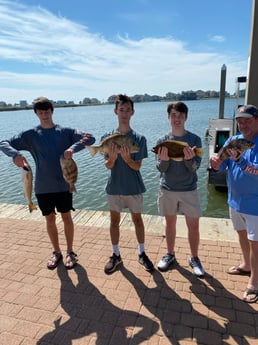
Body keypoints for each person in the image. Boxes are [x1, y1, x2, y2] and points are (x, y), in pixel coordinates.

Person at [0, 97, 95, 270]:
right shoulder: (30, 135)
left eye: (47, 111)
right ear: (36, 113)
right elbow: (3, 142)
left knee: (67, 217)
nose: (44, 115)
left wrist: (73, 148)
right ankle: (56, 252)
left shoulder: (65, 131)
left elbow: (90, 138)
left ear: (52, 111)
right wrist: (15, 155)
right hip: (42, 186)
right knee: (49, 219)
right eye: (41, 112)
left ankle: (70, 252)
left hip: (64, 184)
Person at [210, 104, 258, 303]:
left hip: (254, 204)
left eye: (247, 120)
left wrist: (240, 161)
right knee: (241, 235)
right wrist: (216, 164)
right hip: (235, 200)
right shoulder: (233, 140)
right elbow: (222, 165)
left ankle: (254, 282)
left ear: (257, 120)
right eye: (240, 120)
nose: (243, 124)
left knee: (255, 243)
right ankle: (246, 265)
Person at [103, 94, 154, 274]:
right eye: (121, 110)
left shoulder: (139, 139)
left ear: (133, 112)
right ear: (116, 111)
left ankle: (142, 252)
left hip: (133, 187)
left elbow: (137, 166)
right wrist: (114, 158)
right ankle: (115, 255)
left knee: (138, 221)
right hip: (114, 188)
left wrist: (127, 159)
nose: (124, 113)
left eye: (128, 110)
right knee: (114, 222)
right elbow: (108, 166)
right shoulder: (107, 138)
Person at [155, 101, 205, 277]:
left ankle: (194, 258)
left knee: (193, 225)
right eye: (174, 115)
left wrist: (189, 159)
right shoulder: (162, 141)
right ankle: (170, 255)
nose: (177, 119)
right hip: (167, 189)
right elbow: (160, 169)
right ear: (169, 117)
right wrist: (165, 160)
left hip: (189, 189)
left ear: (186, 117)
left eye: (181, 115)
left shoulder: (194, 140)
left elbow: (194, 168)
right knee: (170, 224)